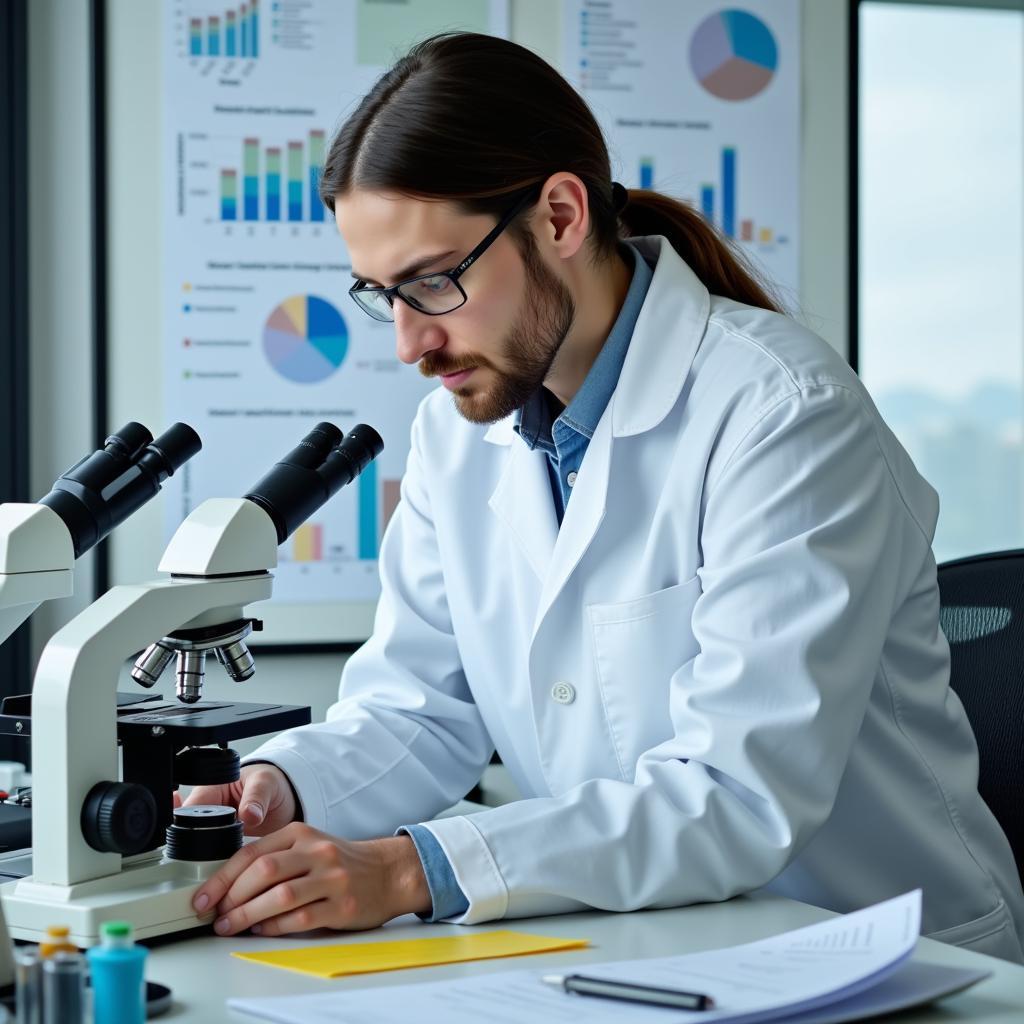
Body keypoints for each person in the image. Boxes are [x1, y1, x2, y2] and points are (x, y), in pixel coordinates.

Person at [185, 32, 1024, 962]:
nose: (409, 343)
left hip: (882, 955)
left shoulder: (781, 412)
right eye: (383, 294)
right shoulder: (456, 436)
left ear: (559, 215)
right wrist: (273, 787)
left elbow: (738, 792)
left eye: (434, 281)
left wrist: (412, 871)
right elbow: (418, 712)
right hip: (651, 953)